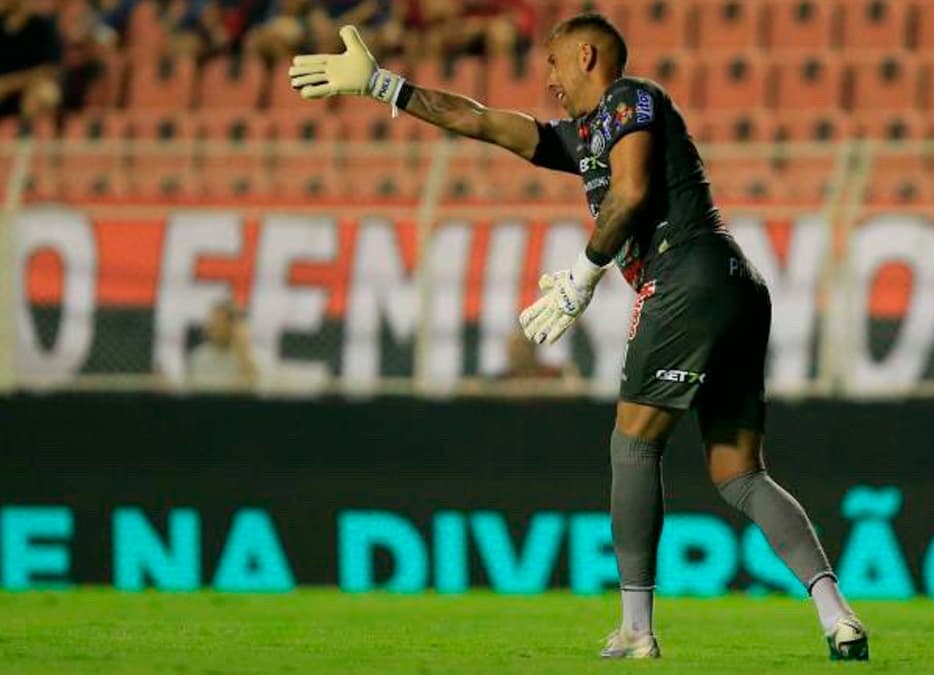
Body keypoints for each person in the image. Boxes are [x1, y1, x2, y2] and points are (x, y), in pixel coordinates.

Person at [286, 15, 868, 661]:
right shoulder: (588, 135)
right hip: (734, 286)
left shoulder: (629, 98)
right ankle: (835, 613)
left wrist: (583, 276)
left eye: (555, 63)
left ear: (586, 55)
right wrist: (383, 85)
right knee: (737, 472)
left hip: (685, 276)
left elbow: (634, 192)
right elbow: (480, 119)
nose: (550, 79)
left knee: (632, 445)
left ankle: (637, 629)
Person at [0, 0, 62, 120]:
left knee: (45, 94)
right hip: (3, 86)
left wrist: (9, 84)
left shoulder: (41, 26)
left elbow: (50, 70)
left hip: (30, 86)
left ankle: (32, 135)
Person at [187, 300, 258, 390]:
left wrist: (243, 354)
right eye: (211, 322)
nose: (212, 327)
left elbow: (254, 388)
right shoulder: (199, 356)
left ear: (232, 325)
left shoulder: (249, 357)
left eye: (219, 322)